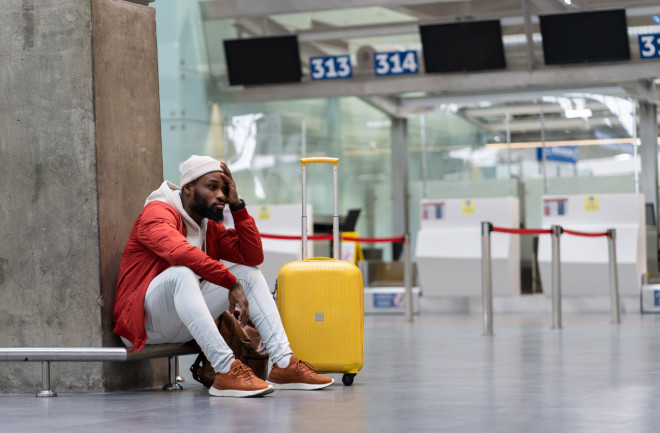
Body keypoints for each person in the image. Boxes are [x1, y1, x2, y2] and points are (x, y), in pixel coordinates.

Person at [113, 155, 334, 397]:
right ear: (188, 188)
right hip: (145, 323)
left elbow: (251, 256)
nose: (220, 195)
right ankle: (225, 369)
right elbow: (179, 252)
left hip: (183, 323)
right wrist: (229, 282)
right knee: (182, 273)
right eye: (212, 187)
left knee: (248, 274)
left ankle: (283, 364)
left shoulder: (209, 226)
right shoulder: (156, 214)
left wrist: (238, 205)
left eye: (224, 189)